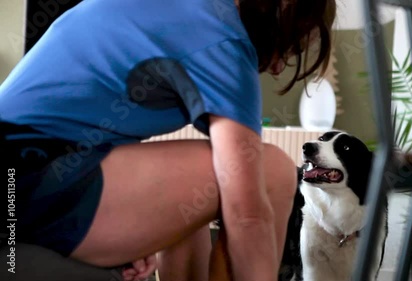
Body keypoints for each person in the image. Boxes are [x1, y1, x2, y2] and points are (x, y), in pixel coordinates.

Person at [0, 0, 336, 280]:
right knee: (270, 170)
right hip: (28, 178)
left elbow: (88, 113)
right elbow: (248, 215)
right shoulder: (224, 39)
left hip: (23, 172)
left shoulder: (178, 9)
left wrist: (137, 234)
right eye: (291, 46)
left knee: (200, 198)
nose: (277, 67)